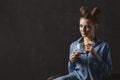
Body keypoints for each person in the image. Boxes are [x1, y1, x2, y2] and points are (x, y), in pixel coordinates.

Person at [49, 6, 112, 80]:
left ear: (95, 26)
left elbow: (108, 73)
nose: (83, 30)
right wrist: (71, 61)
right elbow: (71, 71)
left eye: (87, 27)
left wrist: (95, 56)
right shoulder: (74, 45)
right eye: (81, 26)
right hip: (76, 77)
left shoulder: (103, 46)